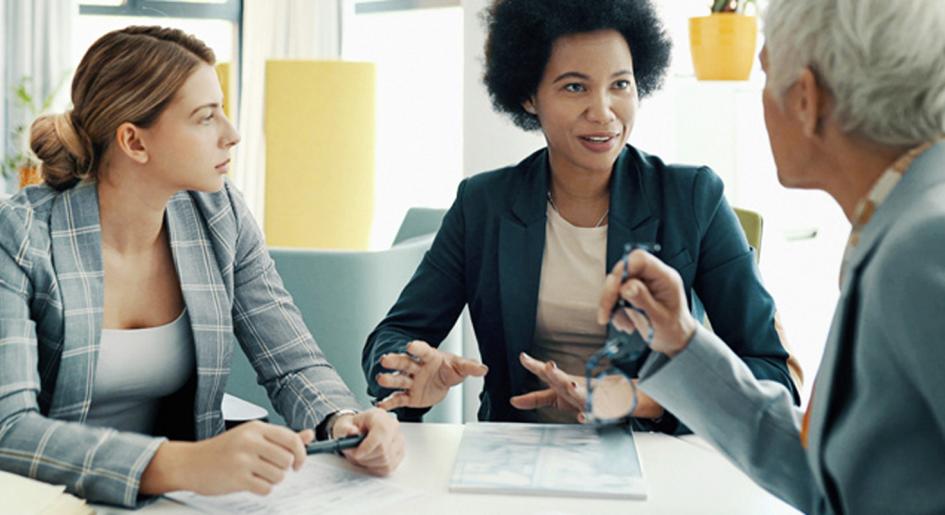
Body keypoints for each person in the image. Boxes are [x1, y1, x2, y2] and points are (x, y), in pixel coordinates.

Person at [0, 26, 403, 508]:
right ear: (134, 141)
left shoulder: (220, 214)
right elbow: (9, 428)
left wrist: (343, 419)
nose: (231, 135)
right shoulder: (22, 235)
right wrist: (182, 464)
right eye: (206, 117)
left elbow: (291, 363)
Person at [363, 0, 800, 431]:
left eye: (621, 85)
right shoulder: (484, 204)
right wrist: (412, 370)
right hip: (515, 457)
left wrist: (639, 399)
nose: (604, 112)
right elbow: (393, 337)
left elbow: (772, 376)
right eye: (575, 87)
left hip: (654, 460)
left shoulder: (693, 198)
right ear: (529, 96)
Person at [597, 0, 945, 513]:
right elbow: (829, 477)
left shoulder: (924, 245)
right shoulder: (899, 221)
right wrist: (683, 339)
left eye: (764, 73)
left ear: (805, 98)